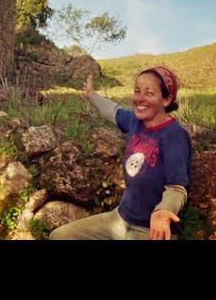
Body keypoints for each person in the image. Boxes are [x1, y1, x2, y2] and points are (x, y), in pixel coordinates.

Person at [49, 66, 192, 240]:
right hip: (119, 219)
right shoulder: (135, 121)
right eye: (137, 91)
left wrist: (164, 211)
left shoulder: (174, 135)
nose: (140, 99)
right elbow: (113, 111)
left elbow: (177, 188)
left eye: (149, 93)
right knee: (60, 236)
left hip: (149, 231)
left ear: (167, 99)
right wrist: (92, 95)